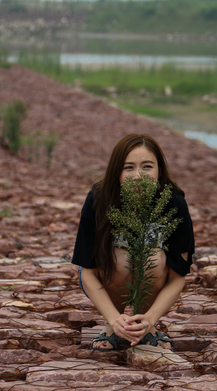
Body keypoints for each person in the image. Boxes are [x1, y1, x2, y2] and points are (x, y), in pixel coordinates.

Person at [72, 133, 194, 351]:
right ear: (116, 171)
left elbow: (178, 277)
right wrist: (112, 319)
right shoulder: (99, 199)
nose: (138, 176)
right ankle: (115, 326)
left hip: (156, 280)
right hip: (105, 278)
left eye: (147, 166)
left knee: (154, 258)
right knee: (123, 258)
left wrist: (150, 319)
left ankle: (144, 325)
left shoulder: (174, 204)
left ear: (159, 170)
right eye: (128, 168)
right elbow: (87, 271)